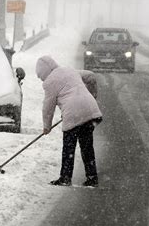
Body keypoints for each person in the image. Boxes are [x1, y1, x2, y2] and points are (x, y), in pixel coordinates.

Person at [36, 56, 103, 187]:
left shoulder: (50, 82)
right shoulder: (70, 71)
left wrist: (46, 126)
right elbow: (90, 75)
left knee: (68, 148)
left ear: (44, 72)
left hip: (74, 114)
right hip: (91, 111)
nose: (41, 79)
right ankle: (92, 177)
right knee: (87, 147)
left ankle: (65, 178)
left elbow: (48, 107)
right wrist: (93, 96)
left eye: (40, 76)